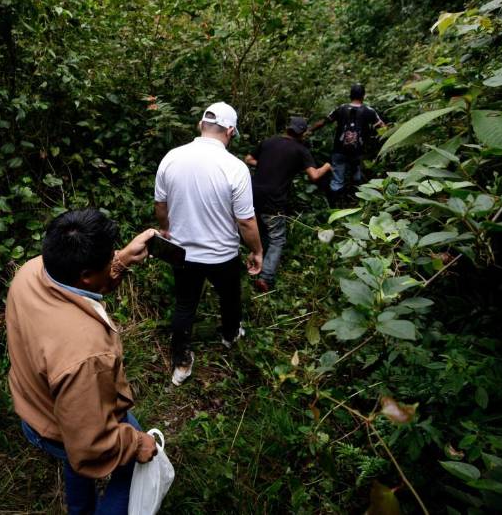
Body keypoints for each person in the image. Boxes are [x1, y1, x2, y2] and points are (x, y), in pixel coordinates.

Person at [6, 209, 159, 515]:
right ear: (87, 275)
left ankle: (80, 510)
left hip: (36, 406)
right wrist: (139, 445)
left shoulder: (31, 272)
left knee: (74, 460)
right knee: (133, 470)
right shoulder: (86, 353)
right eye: (107, 261)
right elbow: (89, 445)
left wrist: (121, 260)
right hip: (61, 431)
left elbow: (85, 284)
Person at [154, 102, 263, 386]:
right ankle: (229, 336)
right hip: (222, 255)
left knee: (184, 305)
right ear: (229, 130)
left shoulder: (171, 158)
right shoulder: (234, 167)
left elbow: (160, 204)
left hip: (183, 252)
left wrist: (166, 229)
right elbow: (246, 222)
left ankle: (180, 364)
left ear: (201, 125)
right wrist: (257, 251)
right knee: (230, 297)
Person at [244, 116, 332, 292]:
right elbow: (314, 175)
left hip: (252, 196)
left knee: (263, 234)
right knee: (277, 238)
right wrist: (327, 166)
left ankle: (253, 265)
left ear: (287, 128)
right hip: (274, 200)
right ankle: (266, 278)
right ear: (303, 133)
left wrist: (269, 165)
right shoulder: (300, 150)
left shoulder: (269, 142)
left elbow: (248, 159)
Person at [311, 83, 385, 203]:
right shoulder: (369, 111)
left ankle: (335, 207)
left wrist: (309, 130)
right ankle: (357, 203)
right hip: (358, 151)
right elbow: (382, 128)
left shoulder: (341, 108)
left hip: (339, 150)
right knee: (357, 177)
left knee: (337, 179)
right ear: (363, 96)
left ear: (350, 95)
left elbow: (324, 122)